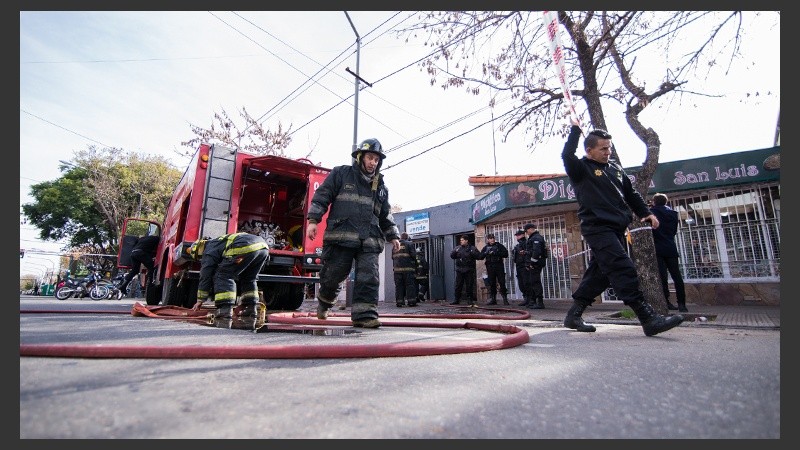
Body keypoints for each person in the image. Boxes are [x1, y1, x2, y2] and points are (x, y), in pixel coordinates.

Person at [561, 116, 684, 336]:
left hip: (617, 229)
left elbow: (631, 194)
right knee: (622, 266)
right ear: (589, 150)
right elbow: (567, 155)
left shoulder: (615, 169)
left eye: (609, 147)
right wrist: (575, 130)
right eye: (603, 148)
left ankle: (574, 315)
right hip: (597, 228)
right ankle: (647, 318)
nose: (608, 152)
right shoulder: (581, 169)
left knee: (600, 274)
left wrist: (646, 213)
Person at [306, 138, 401, 329]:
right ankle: (325, 302)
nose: (373, 162)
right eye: (370, 157)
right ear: (360, 157)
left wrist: (393, 235)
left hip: (370, 240)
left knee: (369, 277)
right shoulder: (341, 174)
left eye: (376, 159)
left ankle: (364, 316)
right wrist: (313, 220)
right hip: (342, 235)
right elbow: (322, 196)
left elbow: (385, 214)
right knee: (333, 274)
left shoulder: (381, 187)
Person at [190, 232, 269, 320]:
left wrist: (200, 300)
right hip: (263, 247)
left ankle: (225, 309)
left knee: (223, 275)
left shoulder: (208, 250)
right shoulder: (218, 242)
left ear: (198, 250)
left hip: (244, 246)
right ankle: (251, 309)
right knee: (249, 278)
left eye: (200, 258)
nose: (202, 259)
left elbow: (205, 275)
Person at [650, 192, 688, 312]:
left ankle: (666, 302)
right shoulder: (673, 213)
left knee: (662, 277)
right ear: (666, 202)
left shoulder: (652, 213)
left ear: (654, 201)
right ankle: (682, 303)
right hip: (670, 246)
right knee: (677, 276)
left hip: (657, 247)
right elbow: (673, 231)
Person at [449, 235, 483, 305]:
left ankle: (470, 300)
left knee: (469, 285)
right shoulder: (458, 248)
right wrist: (454, 252)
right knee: (458, 285)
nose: (461, 241)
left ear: (466, 240)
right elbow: (452, 256)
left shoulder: (472, 248)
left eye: (462, 240)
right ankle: (456, 299)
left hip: (468, 269)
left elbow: (479, 256)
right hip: (460, 269)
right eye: (460, 240)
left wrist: (474, 253)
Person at [479, 233, 509, 305]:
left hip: (499, 266)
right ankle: (493, 299)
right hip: (490, 267)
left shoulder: (499, 246)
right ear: (488, 240)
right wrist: (486, 253)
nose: (492, 239)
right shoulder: (486, 247)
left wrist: (497, 252)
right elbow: (480, 257)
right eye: (490, 238)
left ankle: (505, 299)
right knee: (492, 283)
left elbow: (506, 254)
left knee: (502, 282)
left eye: (493, 238)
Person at [523, 223, 548, 309]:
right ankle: (533, 301)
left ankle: (540, 302)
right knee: (533, 282)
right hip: (535, 263)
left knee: (535, 282)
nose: (526, 233)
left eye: (526, 231)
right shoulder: (535, 237)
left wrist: (532, 263)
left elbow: (536, 252)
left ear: (530, 229)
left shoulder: (536, 238)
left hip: (536, 263)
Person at [392, 232, 419, 307]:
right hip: (408, 269)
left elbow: (392, 257)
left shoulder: (395, 245)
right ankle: (411, 302)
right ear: (407, 237)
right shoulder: (410, 244)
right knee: (410, 285)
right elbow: (414, 256)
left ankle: (399, 302)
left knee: (399, 286)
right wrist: (416, 266)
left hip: (397, 270)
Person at [511, 229, 532, 307]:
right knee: (521, 283)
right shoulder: (518, 245)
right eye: (517, 235)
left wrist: (527, 264)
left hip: (524, 266)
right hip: (519, 266)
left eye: (518, 235)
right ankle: (526, 299)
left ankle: (530, 300)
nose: (517, 237)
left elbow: (528, 254)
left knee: (527, 283)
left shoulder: (526, 243)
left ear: (523, 235)